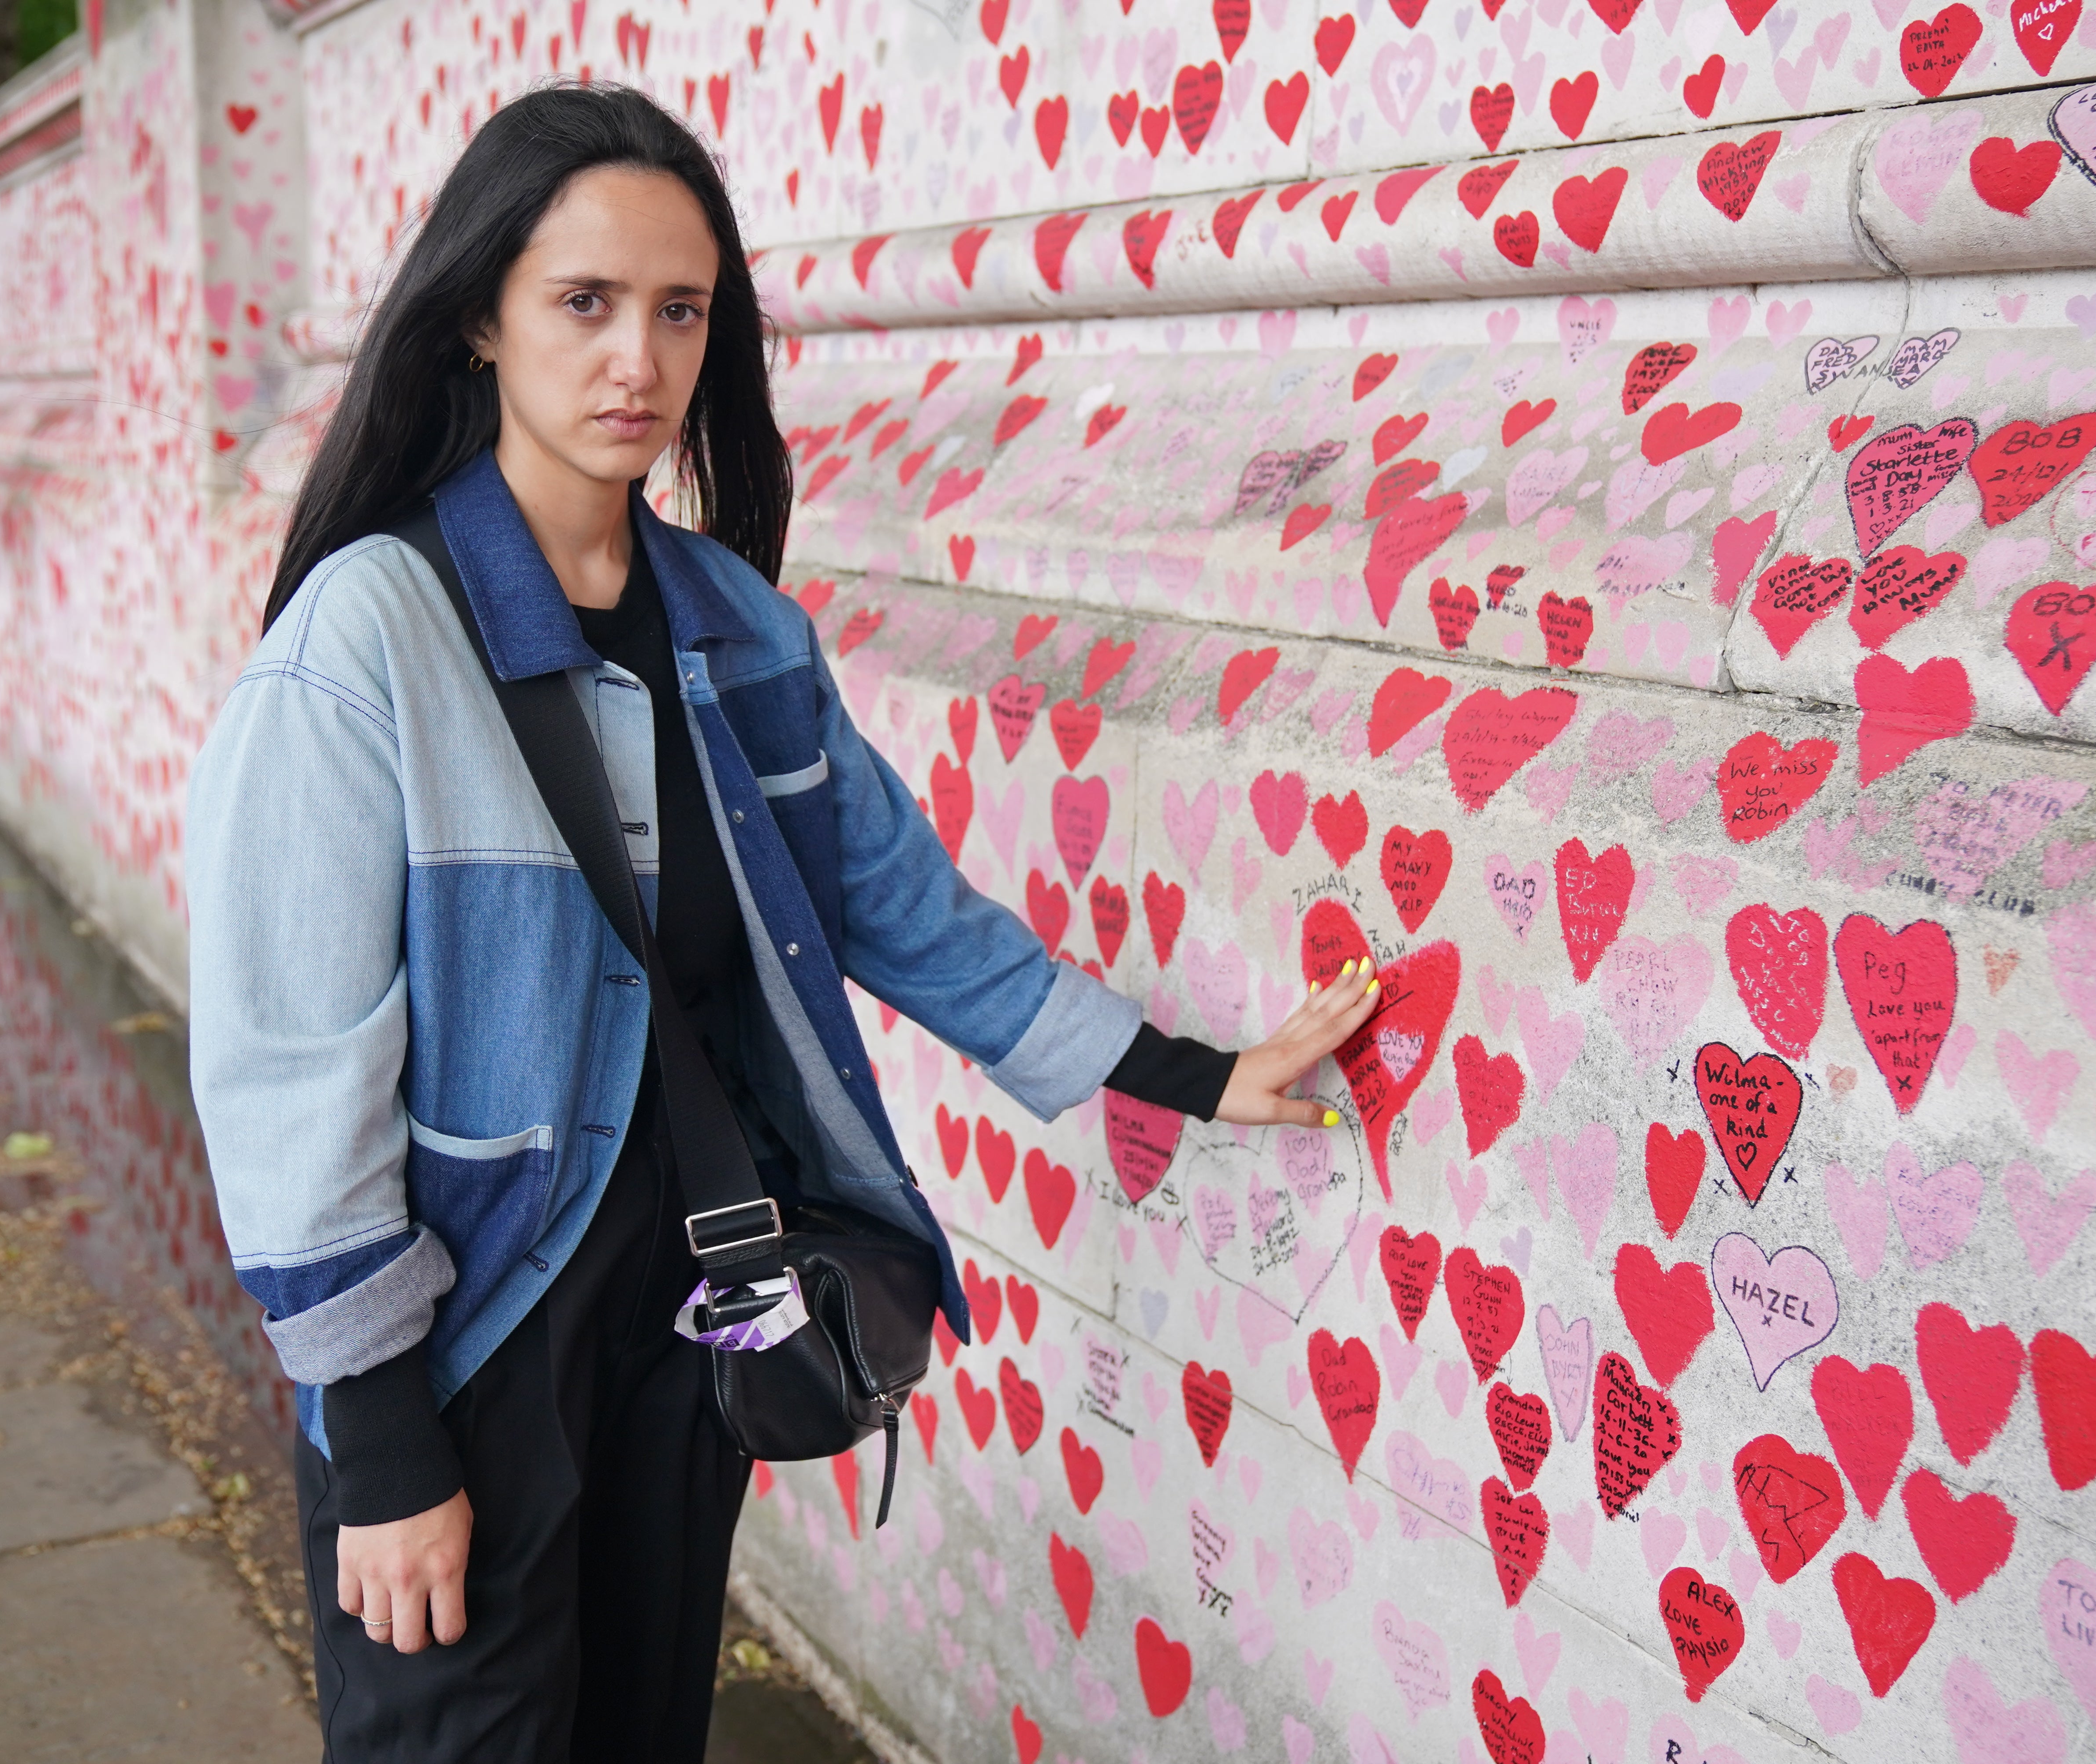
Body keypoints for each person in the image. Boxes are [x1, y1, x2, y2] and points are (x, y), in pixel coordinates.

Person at [184, 81, 1381, 1763]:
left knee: (646, 1725)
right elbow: (286, 1061)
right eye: (584, 304)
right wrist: (381, 1441)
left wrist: (1191, 1071)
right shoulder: (367, 637)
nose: (638, 364)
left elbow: (898, 904)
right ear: (477, 320)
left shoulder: (732, 623)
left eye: (680, 312)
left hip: (701, 1305)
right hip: (472, 1332)